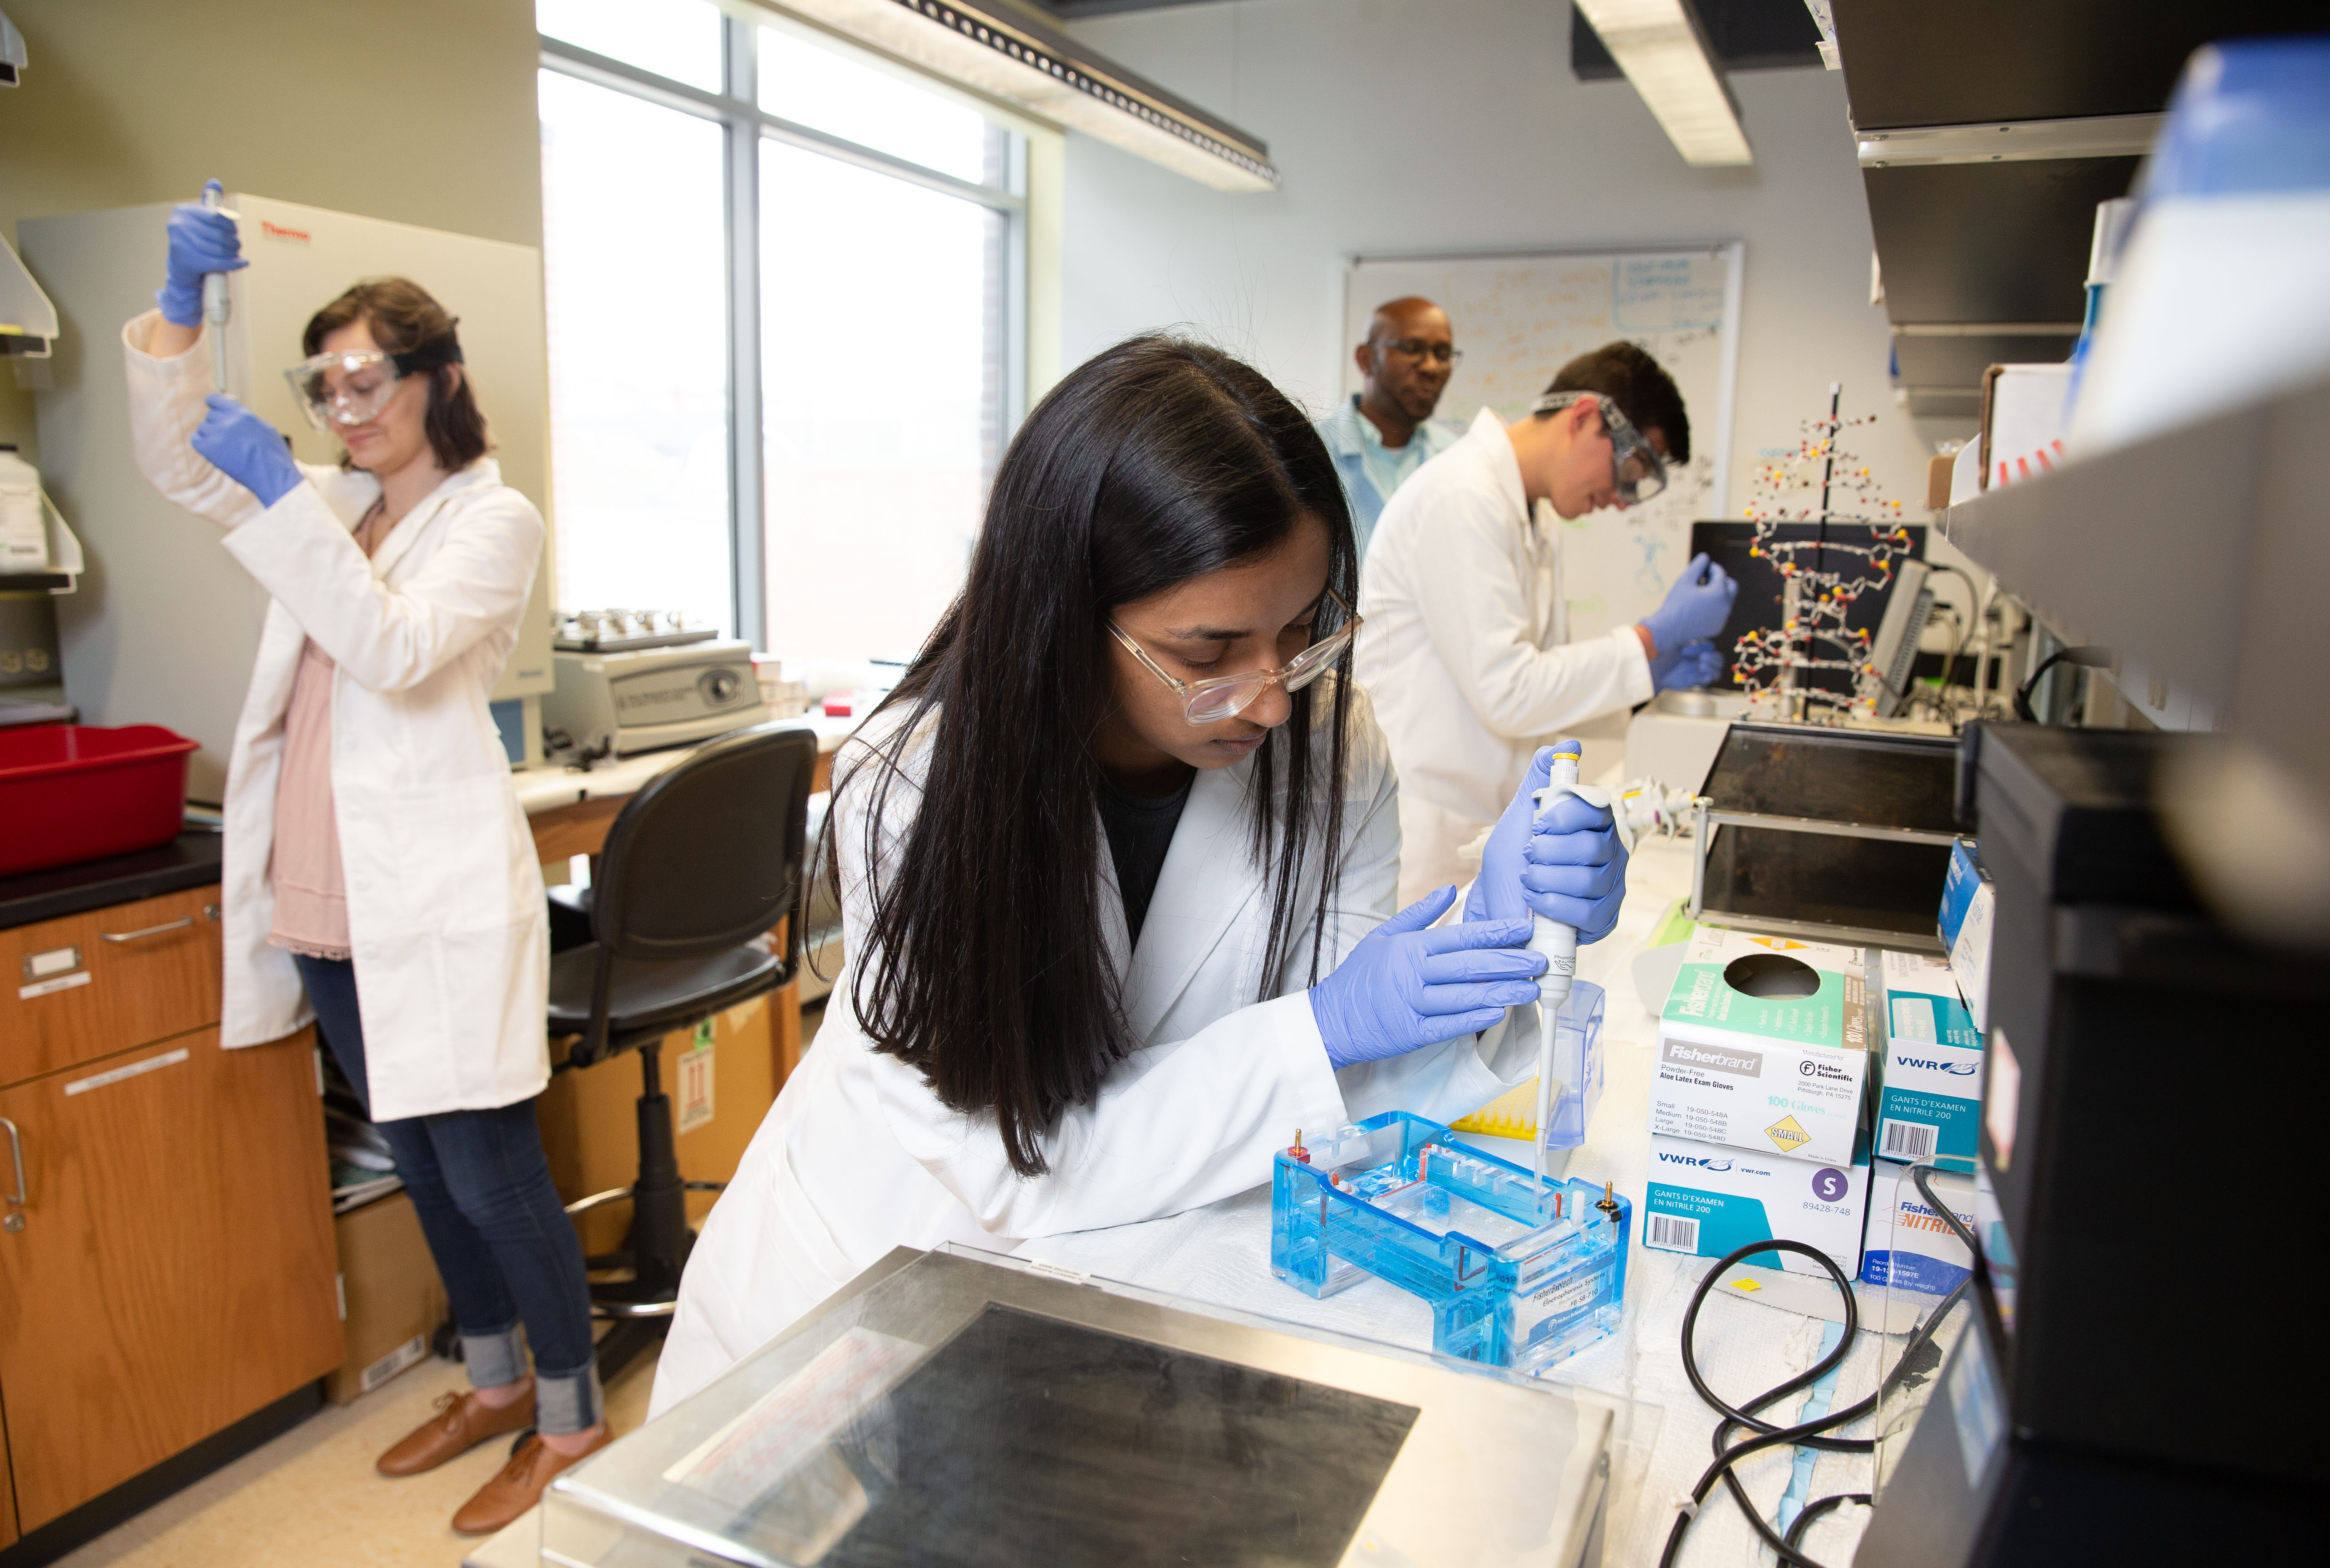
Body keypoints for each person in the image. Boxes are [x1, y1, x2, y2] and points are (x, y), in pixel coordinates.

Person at [648, 336, 1631, 1414]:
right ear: (1067, 614)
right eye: (1210, 652)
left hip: (1127, 1299)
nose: (1271, 696)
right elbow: (1019, 1164)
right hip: (872, 1292)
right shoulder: (917, 788)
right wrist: (1323, 1029)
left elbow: (1334, 1097)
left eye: (1301, 630)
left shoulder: (1334, 748)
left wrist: (1496, 946)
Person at [124, 182, 605, 1534]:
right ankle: (495, 1382)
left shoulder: (492, 521)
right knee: (417, 1158)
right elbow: (175, 463)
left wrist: (286, 494)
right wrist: (177, 312)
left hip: (428, 896)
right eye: (322, 387)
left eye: (365, 380)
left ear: (435, 377)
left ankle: (570, 1419)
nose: (342, 408)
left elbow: (392, 649)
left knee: (491, 1169)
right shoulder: (338, 502)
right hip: (326, 891)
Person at [1355, 341, 1738, 908]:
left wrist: (1647, 680)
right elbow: (1508, 691)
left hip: (1481, 823)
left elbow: (1543, 691)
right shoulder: (1461, 496)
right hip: (1419, 828)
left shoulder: (1536, 516)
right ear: (1584, 418)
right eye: (1631, 472)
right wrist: (1647, 642)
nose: (1623, 500)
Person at [1315, 296, 1460, 561]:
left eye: (1443, 354)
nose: (1431, 368)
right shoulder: (1311, 451)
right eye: (1412, 349)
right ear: (1366, 359)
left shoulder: (1456, 458)